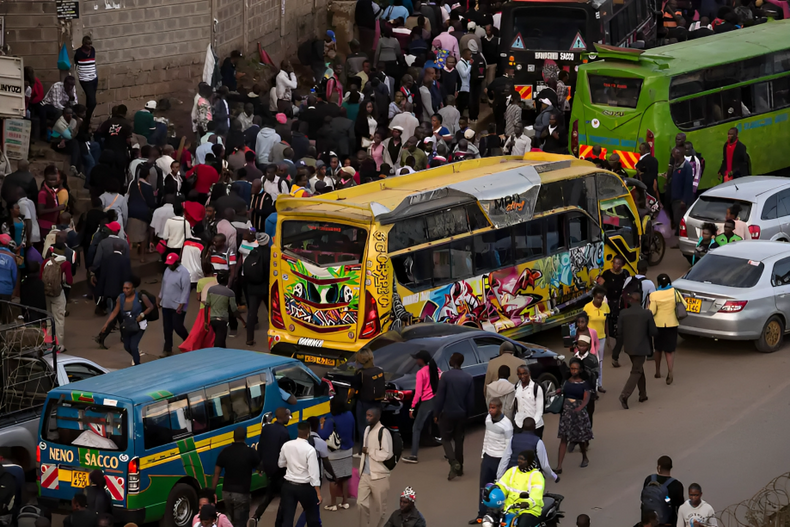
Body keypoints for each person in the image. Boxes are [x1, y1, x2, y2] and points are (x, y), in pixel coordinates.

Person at [469, 398, 513, 525]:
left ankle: (499, 517)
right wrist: (483, 454)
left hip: (500, 460)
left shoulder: (507, 424)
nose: (490, 410)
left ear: (499, 408)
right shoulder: (488, 419)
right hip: (488, 457)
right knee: (484, 489)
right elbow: (486, 437)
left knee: (499, 489)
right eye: (490, 407)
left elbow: (508, 447)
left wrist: (504, 465)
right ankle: (481, 515)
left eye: (493, 408)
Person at [433, 351, 474, 480]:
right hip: (461, 414)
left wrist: (436, 413)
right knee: (459, 440)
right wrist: (468, 414)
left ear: (453, 361)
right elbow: (470, 400)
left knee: (445, 439)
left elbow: (440, 397)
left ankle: (453, 462)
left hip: (447, 413)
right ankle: (460, 468)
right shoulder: (468, 377)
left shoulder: (446, 376)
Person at [615, 289, 658, 409]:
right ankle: (624, 395)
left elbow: (619, 331)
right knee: (636, 371)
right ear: (640, 300)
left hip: (629, 347)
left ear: (631, 300)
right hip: (641, 347)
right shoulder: (647, 314)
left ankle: (643, 394)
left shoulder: (623, 313)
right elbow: (653, 331)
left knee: (639, 369)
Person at [211, 427, 259, 527]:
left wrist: (212, 492)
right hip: (241, 494)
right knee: (240, 523)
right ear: (245, 437)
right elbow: (260, 466)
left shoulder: (224, 452)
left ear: (233, 437)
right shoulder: (250, 452)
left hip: (226, 493)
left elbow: (216, 473)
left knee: (232, 522)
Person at [276, 421, 322, 527]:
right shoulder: (310, 450)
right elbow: (314, 475)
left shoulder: (286, 445)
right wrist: (318, 493)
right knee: (312, 517)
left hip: (288, 486)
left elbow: (280, 464)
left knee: (287, 518)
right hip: (305, 487)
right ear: (308, 433)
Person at [100, 279, 154, 365]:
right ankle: (136, 356)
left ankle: (137, 364)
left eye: (128, 288)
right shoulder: (120, 298)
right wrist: (106, 324)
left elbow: (150, 307)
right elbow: (115, 312)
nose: (125, 290)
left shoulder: (141, 296)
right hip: (127, 324)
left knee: (133, 346)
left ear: (133, 288)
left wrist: (142, 315)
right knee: (126, 346)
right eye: (124, 288)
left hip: (139, 325)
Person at [250, 407, 291, 522]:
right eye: (288, 415)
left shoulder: (266, 429)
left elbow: (261, 447)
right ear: (283, 417)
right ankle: (280, 522)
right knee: (284, 496)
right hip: (279, 470)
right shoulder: (284, 432)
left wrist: (260, 467)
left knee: (269, 493)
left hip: (268, 468)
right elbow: (285, 453)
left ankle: (256, 516)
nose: (289, 418)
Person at [402, 350, 441, 464]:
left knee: (416, 428)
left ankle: (413, 455)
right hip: (436, 399)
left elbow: (418, 393)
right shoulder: (434, 368)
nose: (416, 360)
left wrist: (412, 408)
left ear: (422, 360)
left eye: (417, 359)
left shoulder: (421, 373)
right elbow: (441, 376)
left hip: (427, 401)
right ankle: (447, 448)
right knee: (439, 422)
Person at [554, 358, 592, 473]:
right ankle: (559, 466)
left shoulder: (585, 383)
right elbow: (564, 392)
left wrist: (580, 408)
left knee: (580, 438)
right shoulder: (566, 381)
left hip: (578, 413)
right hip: (566, 412)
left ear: (580, 370)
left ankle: (585, 457)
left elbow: (586, 398)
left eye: (575, 369)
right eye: (571, 368)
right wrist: (560, 391)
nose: (573, 371)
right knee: (564, 438)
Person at [318, 397, 355, 511]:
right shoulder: (350, 415)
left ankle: (333, 504)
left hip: (334, 454)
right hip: (348, 450)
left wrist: (321, 425)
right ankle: (345, 502)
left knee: (333, 479)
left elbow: (323, 435)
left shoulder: (330, 420)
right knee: (344, 477)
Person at [649, 274, 686, 385]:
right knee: (670, 350)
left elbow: (652, 311)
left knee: (658, 349)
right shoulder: (675, 292)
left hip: (658, 325)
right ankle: (670, 371)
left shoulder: (654, 295)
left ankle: (657, 371)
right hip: (672, 324)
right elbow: (684, 305)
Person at [359, 407, 392, 527]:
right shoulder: (367, 429)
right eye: (367, 415)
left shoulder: (384, 432)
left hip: (379, 476)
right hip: (365, 474)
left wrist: (369, 451)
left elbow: (387, 454)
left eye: (370, 416)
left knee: (380, 509)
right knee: (360, 504)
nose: (367, 418)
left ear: (377, 417)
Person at [498, 417, 558, 484]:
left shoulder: (513, 438)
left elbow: (505, 459)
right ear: (534, 427)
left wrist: (499, 478)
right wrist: (554, 476)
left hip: (513, 474)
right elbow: (544, 465)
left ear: (522, 426)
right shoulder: (538, 442)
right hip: (530, 477)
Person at [494, 449, 545, 527]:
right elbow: (502, 486)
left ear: (529, 460)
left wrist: (528, 502)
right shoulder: (512, 471)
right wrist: (495, 490)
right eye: (518, 458)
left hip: (529, 509)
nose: (519, 461)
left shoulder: (537, 475)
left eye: (522, 459)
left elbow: (536, 494)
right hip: (510, 508)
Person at [353, 348, 386, 441]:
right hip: (377, 403)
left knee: (363, 428)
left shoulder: (360, 373)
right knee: (376, 427)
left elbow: (353, 390)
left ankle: (363, 450)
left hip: (364, 404)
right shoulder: (379, 370)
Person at [642, 456, 685, 527]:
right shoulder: (676, 485)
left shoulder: (649, 480)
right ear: (671, 467)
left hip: (648, 523)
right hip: (667, 523)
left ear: (659, 467)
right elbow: (680, 508)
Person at [583, 286, 610, 383]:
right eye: (598, 298)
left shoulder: (605, 307)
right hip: (589, 339)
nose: (600, 300)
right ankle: (590, 383)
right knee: (589, 361)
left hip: (601, 338)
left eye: (602, 298)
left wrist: (608, 337)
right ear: (594, 296)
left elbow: (606, 322)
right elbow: (583, 323)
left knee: (600, 362)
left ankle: (599, 384)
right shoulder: (587, 307)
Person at [204, 271, 238, 348]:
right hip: (222, 320)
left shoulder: (211, 289)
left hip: (212, 319)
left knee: (220, 339)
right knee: (220, 342)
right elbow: (234, 309)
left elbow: (206, 305)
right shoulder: (230, 293)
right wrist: (242, 320)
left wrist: (206, 321)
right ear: (227, 280)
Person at [513, 365, 544, 437]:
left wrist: (533, 423)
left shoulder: (536, 388)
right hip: (519, 424)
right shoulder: (516, 387)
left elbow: (539, 410)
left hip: (535, 426)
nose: (522, 376)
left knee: (533, 447)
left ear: (529, 373)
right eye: (520, 374)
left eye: (524, 373)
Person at [74, 36, 98, 124]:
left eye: (90, 44)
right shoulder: (78, 53)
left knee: (90, 100)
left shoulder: (93, 51)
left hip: (94, 78)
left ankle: (86, 121)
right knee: (93, 102)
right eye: (88, 44)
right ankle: (86, 119)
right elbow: (76, 63)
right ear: (83, 44)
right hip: (85, 79)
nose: (89, 46)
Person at [669, 148, 693, 232]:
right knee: (676, 220)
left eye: (675, 154)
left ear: (680, 154)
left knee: (679, 220)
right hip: (674, 198)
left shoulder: (687, 167)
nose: (673, 156)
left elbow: (688, 184)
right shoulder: (675, 165)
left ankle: (681, 240)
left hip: (680, 199)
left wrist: (684, 200)